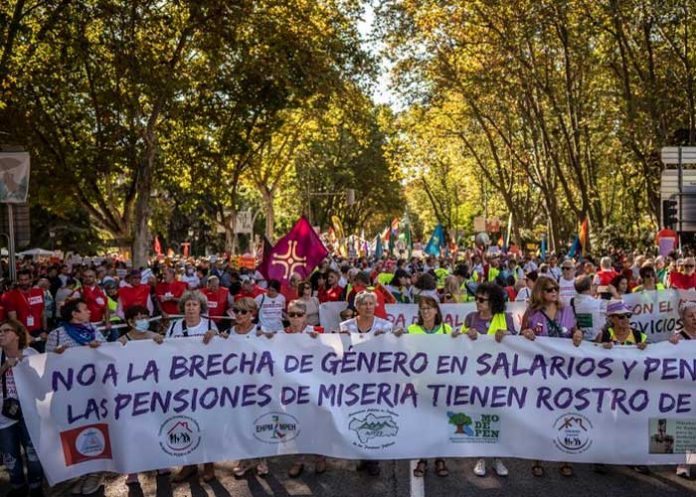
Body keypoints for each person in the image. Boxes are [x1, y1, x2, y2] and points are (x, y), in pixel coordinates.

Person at [521, 276, 582, 478]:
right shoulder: (531, 314)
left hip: (565, 372)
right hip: (540, 373)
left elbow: (575, 331)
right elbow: (520, 337)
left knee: (565, 415)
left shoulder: (567, 311)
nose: (554, 291)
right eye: (549, 289)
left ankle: (565, 458)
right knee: (540, 415)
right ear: (540, 292)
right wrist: (527, 333)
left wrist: (578, 334)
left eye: (556, 288)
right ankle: (537, 458)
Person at [454, 282, 513, 477]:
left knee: (499, 416)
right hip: (476, 376)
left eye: (482, 300)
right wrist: (464, 334)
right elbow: (459, 342)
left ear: (493, 302)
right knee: (480, 416)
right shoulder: (470, 318)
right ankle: (481, 457)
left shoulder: (505, 319)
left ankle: (497, 458)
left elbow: (518, 343)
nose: (477, 302)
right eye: (476, 298)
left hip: (500, 377)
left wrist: (508, 334)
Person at [46, 300, 105, 495]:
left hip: (95, 393)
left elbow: (108, 356)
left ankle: (95, 472)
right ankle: (80, 471)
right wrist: (56, 355)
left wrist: (100, 348)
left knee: (97, 430)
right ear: (74, 314)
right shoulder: (56, 335)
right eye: (84, 309)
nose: (89, 311)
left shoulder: (94, 331)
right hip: (70, 395)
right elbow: (46, 363)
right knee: (74, 430)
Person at [167, 291, 217, 483]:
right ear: (183, 307)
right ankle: (189, 465)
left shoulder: (210, 324)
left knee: (207, 423)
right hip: (182, 381)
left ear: (201, 307)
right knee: (186, 422)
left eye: (195, 305)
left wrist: (216, 335)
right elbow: (166, 349)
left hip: (206, 382)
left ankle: (209, 464)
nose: (191, 308)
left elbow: (223, 348)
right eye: (188, 305)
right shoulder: (173, 326)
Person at [118, 306, 165, 489]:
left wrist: (163, 344)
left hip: (154, 392)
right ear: (130, 321)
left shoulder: (155, 337)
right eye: (138, 318)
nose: (142, 320)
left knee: (156, 427)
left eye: (145, 317)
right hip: (132, 394)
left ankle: (160, 463)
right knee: (134, 432)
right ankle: (133, 471)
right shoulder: (122, 341)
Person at [228, 297, 271, 477]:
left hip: (259, 386)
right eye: (236, 311)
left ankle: (261, 459)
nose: (239, 315)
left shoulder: (262, 331)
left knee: (259, 421)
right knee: (241, 422)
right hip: (237, 387)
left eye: (243, 312)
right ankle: (244, 459)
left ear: (252, 315)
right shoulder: (229, 332)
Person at [0, 320, 44, 497]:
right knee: (10, 458)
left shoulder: (31, 353)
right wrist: (4, 367)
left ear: (17, 334)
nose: (1, 334)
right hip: (3, 418)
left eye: (6, 330)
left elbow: (43, 384)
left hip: (29, 414)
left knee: (33, 456)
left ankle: (36, 487)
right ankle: (18, 487)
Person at [408, 296, 451, 478]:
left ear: (436, 311)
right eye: (422, 308)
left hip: (442, 383)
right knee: (423, 423)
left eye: (429, 308)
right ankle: (423, 459)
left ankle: (440, 458)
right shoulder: (411, 330)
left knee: (440, 422)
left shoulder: (447, 329)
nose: (425, 311)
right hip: (421, 384)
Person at [284, 300, 326, 477]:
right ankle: (298, 460)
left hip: (314, 387)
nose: (295, 318)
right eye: (291, 314)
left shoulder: (317, 332)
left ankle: (320, 457)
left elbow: (335, 348)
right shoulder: (280, 335)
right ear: (287, 316)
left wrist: (322, 342)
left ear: (306, 317)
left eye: (299, 315)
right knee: (296, 424)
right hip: (292, 389)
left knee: (317, 422)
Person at [669, 302, 696, 478]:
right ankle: (684, 463)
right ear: (682, 319)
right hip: (685, 390)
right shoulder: (678, 338)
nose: (695, 318)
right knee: (687, 427)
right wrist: (671, 345)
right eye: (690, 315)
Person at [4, 270, 46, 352]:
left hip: (38, 331)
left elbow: (43, 313)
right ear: (18, 281)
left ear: (31, 280)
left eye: (26, 280)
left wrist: (44, 330)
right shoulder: (11, 295)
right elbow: (13, 320)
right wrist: (26, 335)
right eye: (21, 280)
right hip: (21, 333)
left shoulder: (39, 292)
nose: (23, 282)